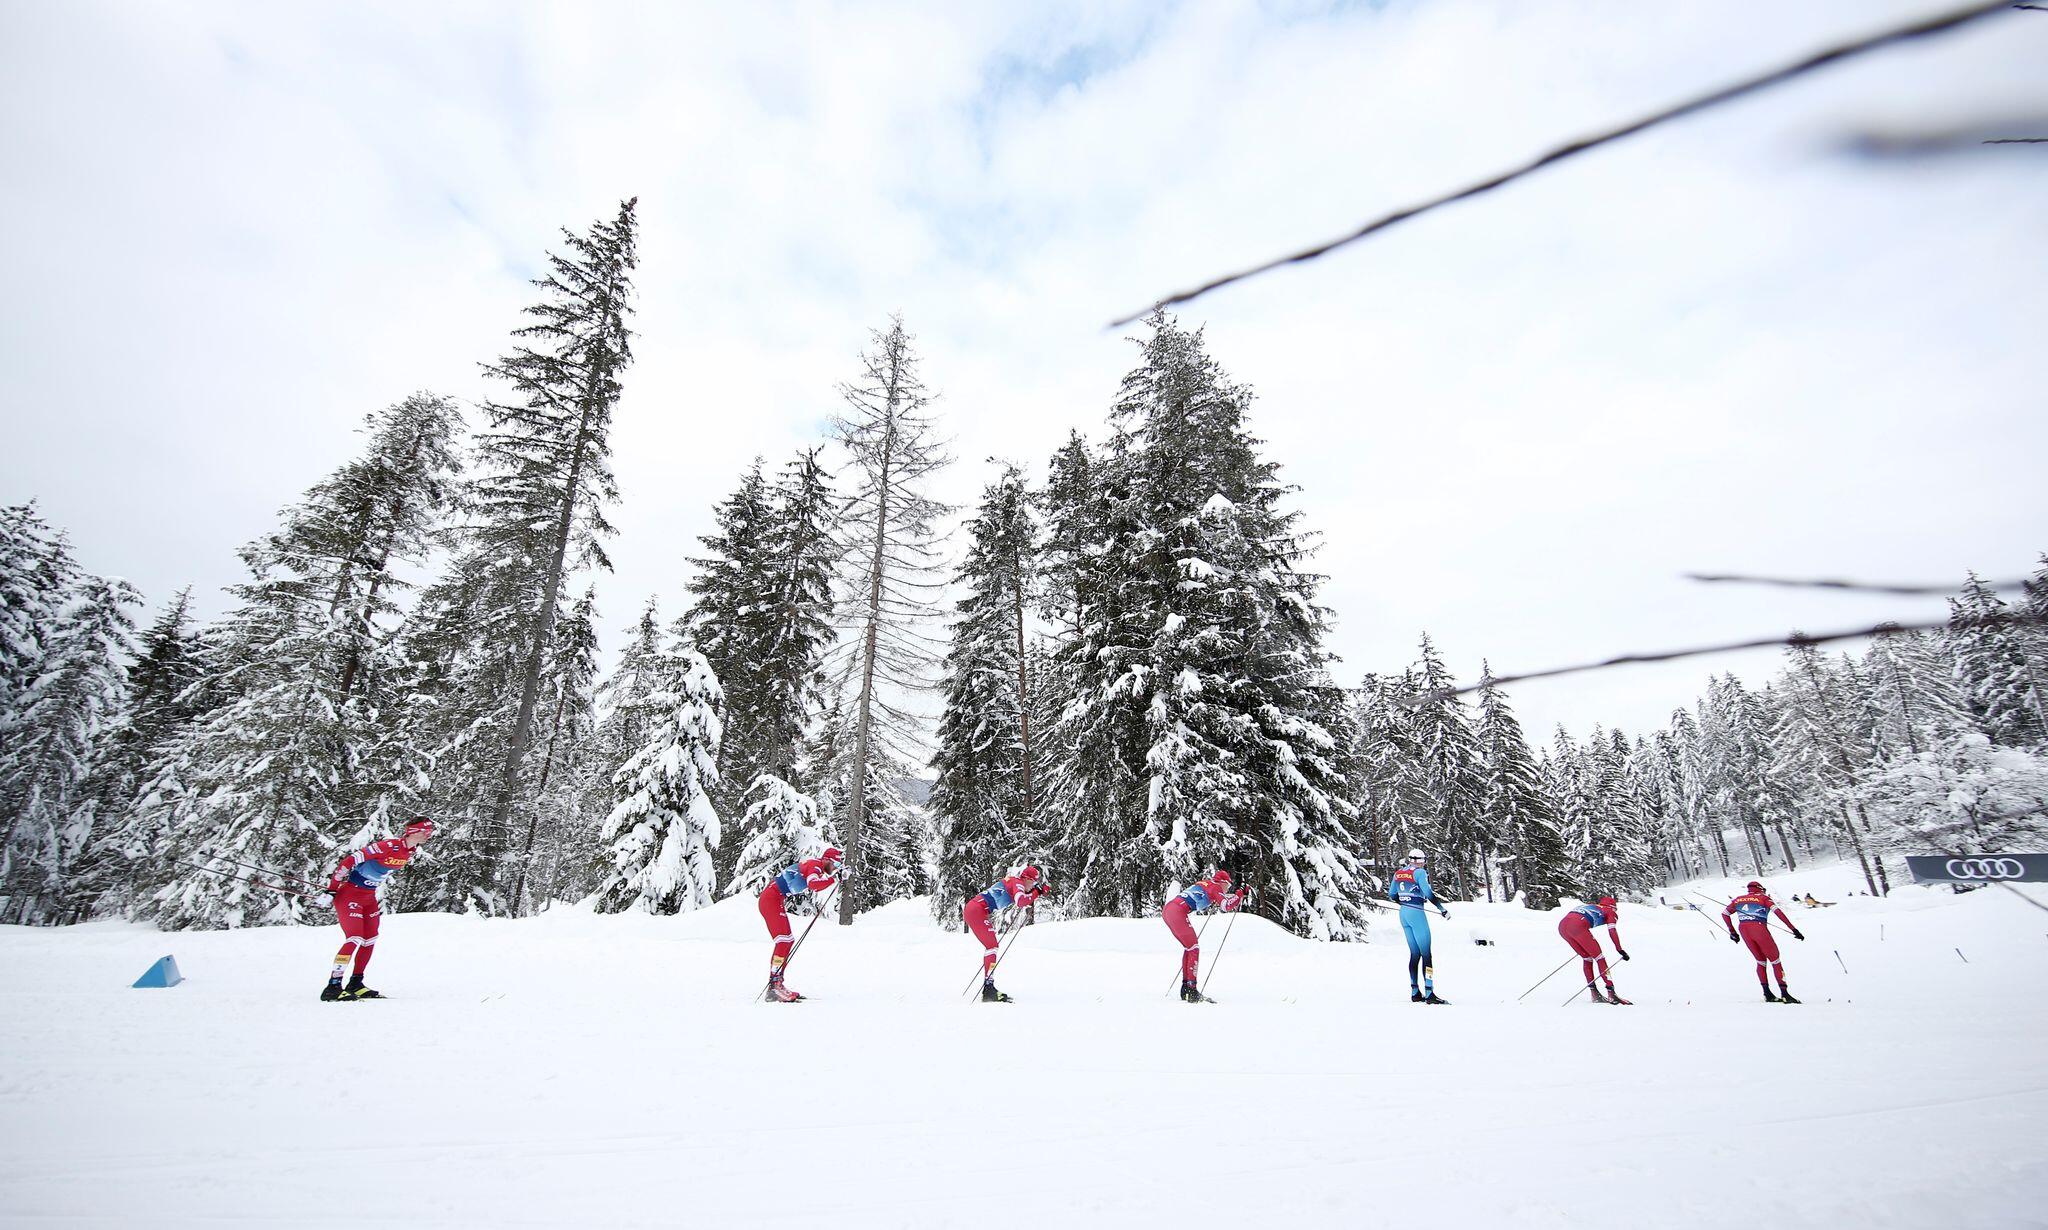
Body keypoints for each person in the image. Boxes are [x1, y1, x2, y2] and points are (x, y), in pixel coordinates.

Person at [320, 817, 434, 1001]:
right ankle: (333, 986)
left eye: (430, 832)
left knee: (369, 939)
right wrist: (332, 889)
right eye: (425, 831)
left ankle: (356, 983)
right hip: (350, 895)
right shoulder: (388, 846)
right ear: (413, 832)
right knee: (354, 938)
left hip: (368, 897)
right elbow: (350, 861)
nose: (429, 835)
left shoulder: (410, 851)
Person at [758, 846, 843, 1002]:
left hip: (775, 899)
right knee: (784, 941)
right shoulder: (815, 866)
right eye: (835, 864)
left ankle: (777, 983)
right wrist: (835, 879)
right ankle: (774, 986)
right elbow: (813, 885)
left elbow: (816, 884)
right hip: (770, 899)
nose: (835, 868)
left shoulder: (816, 866)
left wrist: (836, 877)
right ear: (826, 860)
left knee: (787, 941)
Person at [965, 865, 1049, 1002]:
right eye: (1033, 882)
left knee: (992, 946)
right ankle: (988, 988)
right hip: (976, 910)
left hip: (977, 909)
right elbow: (1021, 901)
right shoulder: (1018, 882)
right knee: (992, 946)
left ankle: (989, 986)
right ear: (1027, 879)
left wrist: (1036, 892)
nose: (1033, 885)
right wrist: (1036, 893)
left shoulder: (1016, 882)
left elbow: (1023, 896)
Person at [1163, 869, 1247, 1003]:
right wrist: (1239, 895)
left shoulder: (1207, 884)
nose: (1227, 889)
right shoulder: (1216, 887)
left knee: (1190, 947)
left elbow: (1220, 897)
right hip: (1178, 911)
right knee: (1193, 948)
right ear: (1223, 882)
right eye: (1228, 885)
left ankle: (1186, 988)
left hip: (1170, 909)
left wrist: (1236, 895)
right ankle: (1191, 990)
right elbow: (1226, 905)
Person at [1722, 880, 1804, 1003]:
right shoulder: (1764, 898)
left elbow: (1725, 914)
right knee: (1775, 961)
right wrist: (1793, 929)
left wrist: (1733, 932)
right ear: (1760, 889)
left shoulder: (1738, 899)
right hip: (1759, 929)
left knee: (1760, 961)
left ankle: (1767, 993)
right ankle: (1785, 994)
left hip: (1744, 930)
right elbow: (1779, 913)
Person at [1389, 850, 1451, 1004]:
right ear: (1419, 860)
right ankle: (1429, 993)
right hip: (1416, 913)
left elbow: (1392, 894)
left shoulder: (1398, 873)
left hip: (1404, 913)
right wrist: (1442, 909)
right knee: (1426, 955)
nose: (1424, 863)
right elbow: (1428, 893)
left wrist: (1404, 901)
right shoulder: (1419, 872)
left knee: (1414, 954)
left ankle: (1415, 991)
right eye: (1423, 860)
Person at [1557, 895, 1631, 1005]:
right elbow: (1612, 931)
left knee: (1587, 958)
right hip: (1577, 926)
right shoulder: (1611, 911)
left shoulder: (1593, 906)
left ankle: (1594, 993)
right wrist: (1620, 949)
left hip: (1562, 926)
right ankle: (1611, 994)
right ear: (1613, 907)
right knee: (1600, 958)